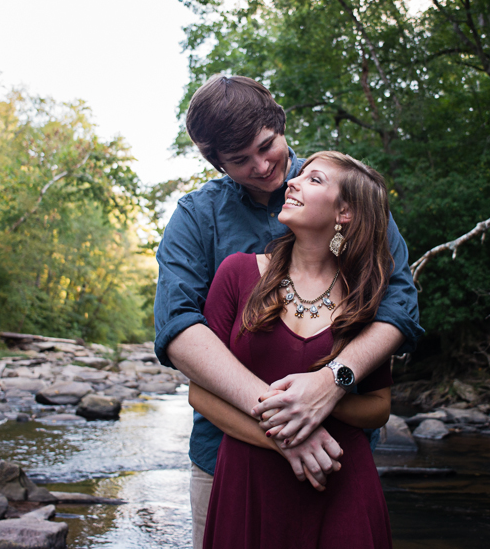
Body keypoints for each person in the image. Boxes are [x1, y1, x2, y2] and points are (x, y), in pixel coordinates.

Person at [153, 75, 421, 548]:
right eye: (239, 160)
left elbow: (397, 302)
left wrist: (329, 382)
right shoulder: (198, 218)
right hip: (227, 460)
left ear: (279, 123)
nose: (262, 167)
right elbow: (178, 329)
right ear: (216, 162)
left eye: (266, 146)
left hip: (337, 462)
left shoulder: (344, 191)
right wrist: (286, 426)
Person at [194, 150, 395, 548]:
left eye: (314, 180)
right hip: (248, 480)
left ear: (345, 213)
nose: (292, 182)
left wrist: (321, 399)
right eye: (299, 177)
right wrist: (288, 437)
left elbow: (379, 407)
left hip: (340, 478)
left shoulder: (367, 294)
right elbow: (200, 393)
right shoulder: (235, 273)